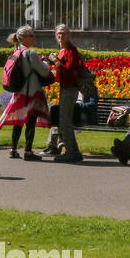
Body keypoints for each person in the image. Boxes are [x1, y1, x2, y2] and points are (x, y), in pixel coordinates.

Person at [0, 25, 52, 160]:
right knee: (30, 122)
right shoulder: (31, 53)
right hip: (32, 92)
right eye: (32, 35)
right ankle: (28, 152)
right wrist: (45, 62)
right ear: (24, 38)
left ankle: (13, 149)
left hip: (18, 92)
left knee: (18, 121)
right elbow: (44, 72)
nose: (34, 37)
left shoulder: (16, 51)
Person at [42, 23, 85, 163]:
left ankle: (72, 152)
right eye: (59, 33)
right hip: (64, 87)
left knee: (65, 121)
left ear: (69, 35)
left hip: (70, 88)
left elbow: (70, 70)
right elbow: (61, 67)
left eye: (64, 33)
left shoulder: (71, 50)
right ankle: (72, 151)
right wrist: (49, 60)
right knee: (63, 120)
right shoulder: (62, 50)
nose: (61, 35)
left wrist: (56, 61)